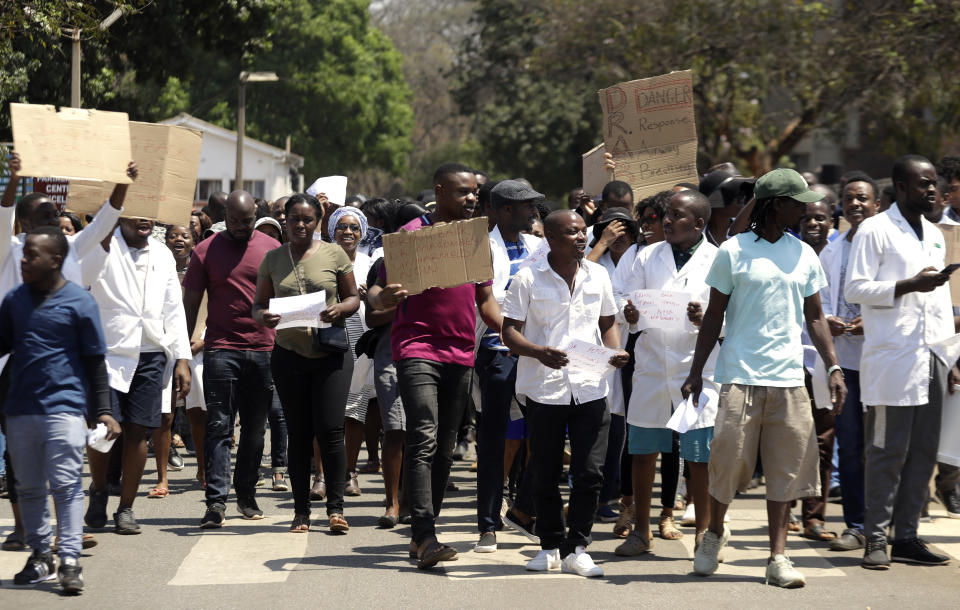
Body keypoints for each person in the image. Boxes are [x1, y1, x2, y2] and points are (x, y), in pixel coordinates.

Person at [682, 168, 846, 588]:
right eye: (796, 202)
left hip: (790, 378)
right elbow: (714, 314)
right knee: (727, 462)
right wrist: (696, 371)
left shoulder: (804, 254)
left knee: (786, 469)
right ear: (775, 205)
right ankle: (713, 534)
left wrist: (832, 365)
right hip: (738, 374)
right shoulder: (734, 251)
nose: (805, 208)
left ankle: (777, 557)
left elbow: (815, 316)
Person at [367, 163, 501, 569]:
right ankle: (424, 535)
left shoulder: (475, 241)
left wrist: (518, 334)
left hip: (461, 354)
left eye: (475, 192)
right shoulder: (410, 237)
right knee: (423, 436)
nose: (472, 198)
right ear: (440, 191)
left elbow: (486, 302)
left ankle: (425, 530)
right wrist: (385, 297)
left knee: (445, 448)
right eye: (463, 192)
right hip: (416, 349)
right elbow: (375, 292)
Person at [0, 152, 135, 551]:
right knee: (22, 456)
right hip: (15, 368)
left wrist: (122, 180)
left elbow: (108, 220)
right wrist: (15, 178)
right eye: (44, 216)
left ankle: (67, 532)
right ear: (25, 226)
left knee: (66, 452)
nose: (54, 220)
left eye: (55, 213)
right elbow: (3, 212)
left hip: (65, 370)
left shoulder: (71, 249)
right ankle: (25, 527)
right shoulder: (9, 249)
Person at [501, 209, 629, 577]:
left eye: (583, 231)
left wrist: (615, 351)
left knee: (590, 472)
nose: (580, 237)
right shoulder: (527, 278)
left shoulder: (599, 275)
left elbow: (607, 324)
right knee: (544, 469)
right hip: (544, 389)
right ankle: (550, 545)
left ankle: (579, 548)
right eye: (571, 232)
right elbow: (510, 332)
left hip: (591, 386)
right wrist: (538, 351)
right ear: (551, 239)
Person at [845, 155, 957, 569]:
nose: (932, 190)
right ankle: (875, 538)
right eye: (924, 184)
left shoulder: (933, 233)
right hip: (894, 360)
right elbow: (856, 287)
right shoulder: (874, 230)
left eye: (935, 184)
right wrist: (910, 284)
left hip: (934, 357)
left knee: (924, 452)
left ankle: (906, 537)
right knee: (886, 450)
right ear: (902, 187)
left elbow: (940, 299)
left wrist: (952, 357)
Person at [1, 226, 120, 594]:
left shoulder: (79, 303)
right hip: (20, 410)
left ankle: (69, 558)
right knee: (30, 487)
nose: (23, 261)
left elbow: (95, 362)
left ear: (56, 260)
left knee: (66, 486)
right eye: (23, 254)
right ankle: (40, 556)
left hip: (65, 408)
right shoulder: (14, 301)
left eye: (31, 255)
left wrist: (103, 409)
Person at [614, 190, 719, 557]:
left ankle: (706, 536)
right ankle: (641, 532)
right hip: (653, 365)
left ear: (700, 224)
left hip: (697, 368)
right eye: (667, 216)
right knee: (643, 451)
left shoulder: (717, 260)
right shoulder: (647, 256)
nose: (668, 222)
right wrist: (628, 314)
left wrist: (704, 319)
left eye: (677, 216)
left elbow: (730, 316)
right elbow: (626, 300)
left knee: (698, 456)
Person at [253, 193, 359, 533]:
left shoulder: (334, 253)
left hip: (330, 356)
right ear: (284, 220)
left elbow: (354, 298)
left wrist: (340, 309)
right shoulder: (271, 259)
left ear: (318, 221)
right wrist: (264, 317)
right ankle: (301, 512)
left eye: (308, 220)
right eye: (294, 219)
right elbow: (257, 306)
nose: (300, 225)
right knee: (298, 435)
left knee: (331, 431)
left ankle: (336, 509)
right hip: (289, 356)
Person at [80, 212, 192, 534]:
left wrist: (182, 359)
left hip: (151, 354)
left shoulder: (162, 254)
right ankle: (99, 490)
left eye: (149, 215)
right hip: (107, 352)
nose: (144, 221)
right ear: (121, 216)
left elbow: (173, 308)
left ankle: (126, 508)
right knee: (102, 430)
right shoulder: (102, 247)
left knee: (140, 431)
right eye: (135, 214)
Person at [183, 190, 280, 528]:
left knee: (255, 430)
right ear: (225, 216)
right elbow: (192, 302)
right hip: (221, 349)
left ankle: (246, 495)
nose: (241, 227)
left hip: (264, 350)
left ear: (256, 215)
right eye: (235, 221)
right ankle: (216, 503)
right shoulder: (205, 250)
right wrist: (182, 350)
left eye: (248, 221)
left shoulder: (272, 250)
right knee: (219, 426)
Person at [474, 179, 543, 553]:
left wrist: (532, 344)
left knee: (547, 434)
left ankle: (523, 509)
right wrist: (514, 336)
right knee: (494, 440)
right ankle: (487, 523)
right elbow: (487, 306)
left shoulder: (538, 246)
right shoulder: (481, 247)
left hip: (535, 353)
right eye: (527, 206)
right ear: (504, 211)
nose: (534, 212)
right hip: (497, 351)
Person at [818, 174, 880, 551]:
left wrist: (869, 321)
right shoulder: (831, 250)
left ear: (876, 205)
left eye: (863, 198)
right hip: (848, 365)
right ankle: (856, 525)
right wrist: (832, 322)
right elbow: (819, 303)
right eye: (849, 199)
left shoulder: (888, 246)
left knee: (886, 448)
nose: (855, 204)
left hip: (884, 361)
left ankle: (888, 525)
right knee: (852, 448)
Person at [796, 198, 838, 542]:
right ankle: (785, 509)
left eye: (821, 218)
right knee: (790, 440)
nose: (814, 223)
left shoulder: (840, 254)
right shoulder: (790, 252)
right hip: (792, 359)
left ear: (830, 221)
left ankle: (814, 517)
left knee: (823, 442)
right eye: (807, 217)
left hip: (826, 362)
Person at [147, 225, 196, 499]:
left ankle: (201, 469)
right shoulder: (159, 262)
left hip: (189, 346)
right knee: (163, 417)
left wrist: (185, 354)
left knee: (194, 413)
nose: (178, 240)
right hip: (156, 346)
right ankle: (161, 476)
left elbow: (181, 312)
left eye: (185, 235)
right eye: (173, 236)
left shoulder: (195, 270)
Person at [328, 205, 374, 497]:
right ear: (332, 231)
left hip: (363, 342)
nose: (348, 232)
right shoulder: (321, 258)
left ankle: (350, 472)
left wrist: (373, 296)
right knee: (327, 410)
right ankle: (322, 474)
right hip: (330, 339)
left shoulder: (372, 262)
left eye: (354, 228)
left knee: (355, 410)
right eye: (342, 227)